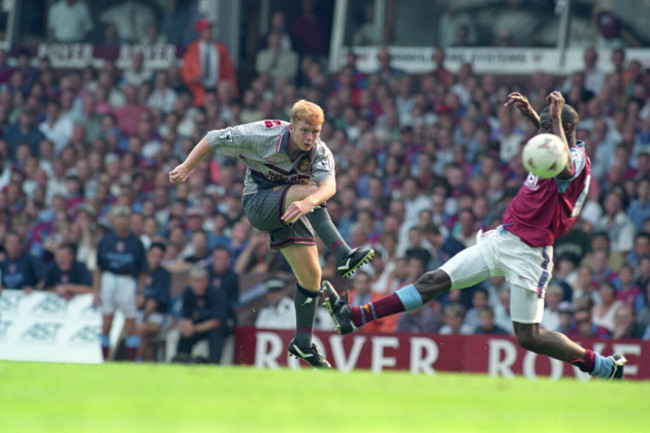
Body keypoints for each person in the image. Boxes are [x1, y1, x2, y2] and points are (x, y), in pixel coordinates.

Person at [323, 91, 628, 379]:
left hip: (529, 254)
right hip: (501, 239)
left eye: (549, 127)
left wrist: (554, 117)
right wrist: (536, 116)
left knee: (529, 336)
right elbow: (552, 143)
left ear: (566, 126)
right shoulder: (551, 144)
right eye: (542, 128)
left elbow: (561, 167)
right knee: (432, 281)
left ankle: (601, 366)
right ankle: (357, 316)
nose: (541, 134)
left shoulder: (575, 160)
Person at [169, 99, 375, 368]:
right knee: (309, 194)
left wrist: (307, 203)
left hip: (292, 205)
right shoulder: (261, 135)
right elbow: (213, 138)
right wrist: (187, 167)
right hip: (258, 203)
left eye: (316, 131)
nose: (311, 137)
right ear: (291, 127)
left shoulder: (320, 152)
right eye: (305, 130)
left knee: (312, 276)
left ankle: (302, 343)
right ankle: (343, 254)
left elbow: (330, 186)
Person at [95, 205, 148, 361]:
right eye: (118, 218)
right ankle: (104, 359)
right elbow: (98, 267)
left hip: (127, 281)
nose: (121, 222)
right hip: (109, 279)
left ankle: (132, 360)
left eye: (125, 218)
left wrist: (140, 292)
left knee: (131, 324)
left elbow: (142, 271)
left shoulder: (136, 242)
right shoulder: (106, 240)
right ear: (113, 220)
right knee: (106, 324)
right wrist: (96, 290)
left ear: (129, 220)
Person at [172, 265, 228, 364]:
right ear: (190, 282)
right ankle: (181, 359)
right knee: (185, 334)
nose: (198, 285)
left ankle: (213, 363)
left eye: (201, 281)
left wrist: (195, 329)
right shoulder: (187, 292)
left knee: (215, 333)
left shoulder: (216, 293)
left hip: (218, 326)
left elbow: (217, 321)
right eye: (195, 281)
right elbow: (186, 316)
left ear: (206, 281)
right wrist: (188, 327)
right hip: (199, 324)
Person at [181, 18, 238, 107]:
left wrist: (232, 90)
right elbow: (185, 71)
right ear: (200, 32)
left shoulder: (220, 48)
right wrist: (193, 78)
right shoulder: (193, 49)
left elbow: (228, 71)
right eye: (206, 29)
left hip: (216, 88)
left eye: (210, 29)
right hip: (199, 89)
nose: (209, 32)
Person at [136, 242, 171, 362]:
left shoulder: (163, 274)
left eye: (159, 257)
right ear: (147, 255)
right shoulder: (139, 271)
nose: (156, 259)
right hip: (136, 312)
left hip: (156, 315)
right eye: (153, 255)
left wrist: (143, 319)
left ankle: (137, 362)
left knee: (142, 329)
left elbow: (154, 302)